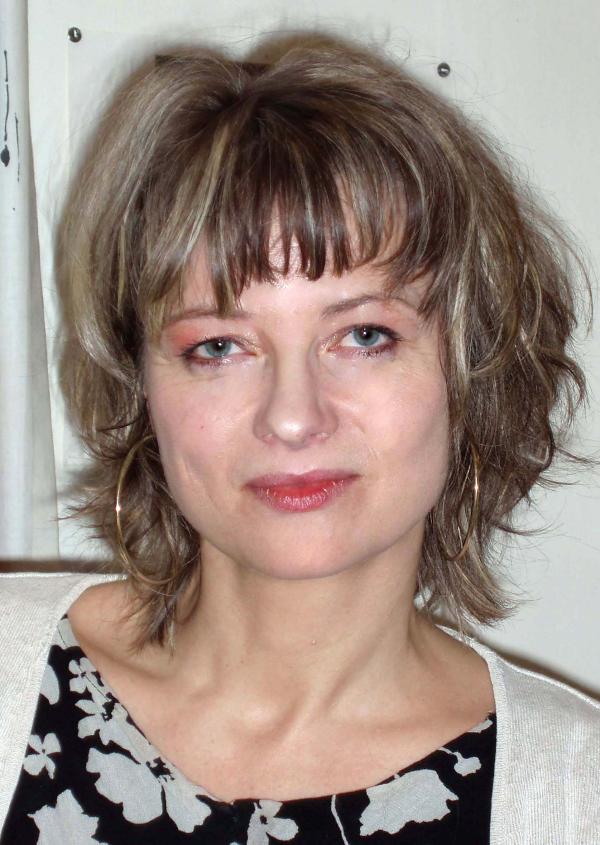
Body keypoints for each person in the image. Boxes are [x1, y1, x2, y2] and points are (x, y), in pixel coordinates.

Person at [0, 36, 598, 844]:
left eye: (364, 335)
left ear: (471, 364)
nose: (292, 416)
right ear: (140, 384)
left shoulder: (578, 798)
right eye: (219, 345)